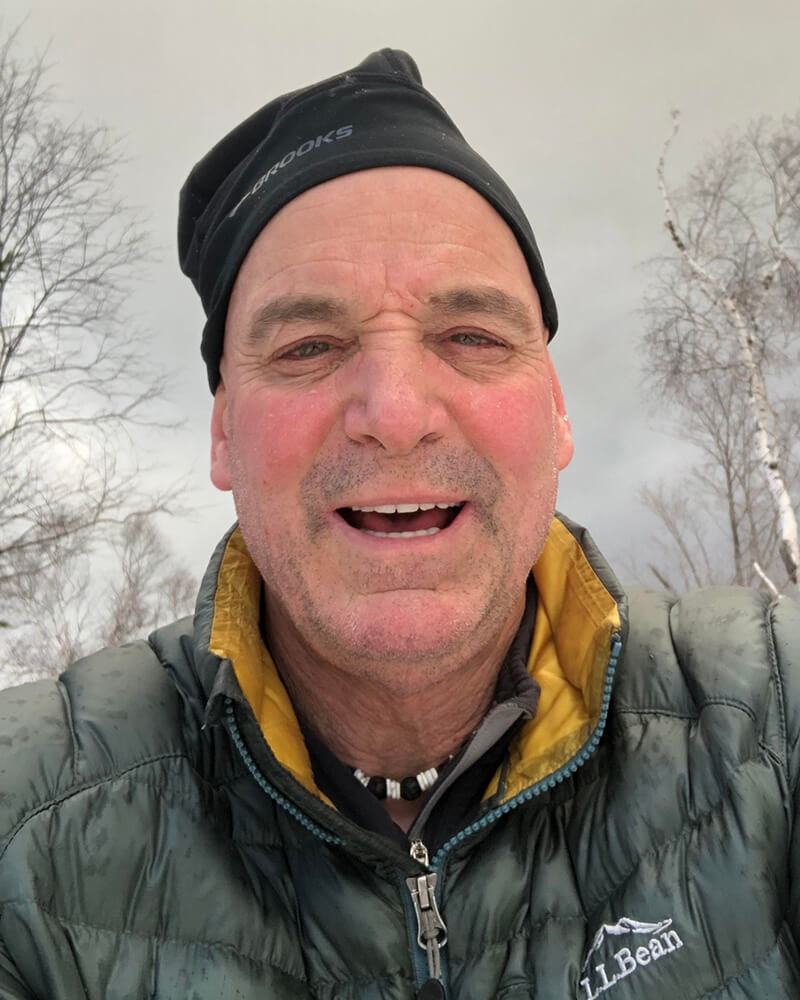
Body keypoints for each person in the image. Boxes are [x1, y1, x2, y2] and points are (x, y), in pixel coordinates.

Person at [0, 48, 798, 1000]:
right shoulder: (28, 837)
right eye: (308, 346)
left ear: (558, 411)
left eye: (471, 336)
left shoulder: (772, 721)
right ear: (222, 432)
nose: (395, 409)